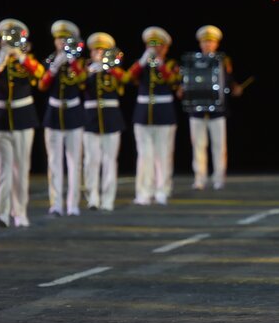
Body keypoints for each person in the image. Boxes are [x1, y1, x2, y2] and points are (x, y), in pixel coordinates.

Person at [0, 18, 45, 228]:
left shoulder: (27, 60)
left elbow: (41, 75)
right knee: (2, 167)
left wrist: (21, 57)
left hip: (23, 118)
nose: (9, 42)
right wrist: (0, 61)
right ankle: (1, 213)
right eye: (6, 37)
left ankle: (19, 212)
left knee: (21, 168)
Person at [182, 25, 243, 191]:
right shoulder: (192, 61)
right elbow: (186, 81)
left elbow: (227, 80)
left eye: (211, 42)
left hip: (217, 110)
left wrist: (235, 88)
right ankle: (199, 178)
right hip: (196, 110)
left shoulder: (223, 60)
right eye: (205, 42)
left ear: (216, 44)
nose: (208, 45)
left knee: (219, 145)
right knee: (198, 145)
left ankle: (218, 177)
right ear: (200, 43)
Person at [128, 26, 182, 206]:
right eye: (151, 45)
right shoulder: (142, 64)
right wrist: (143, 61)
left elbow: (173, 81)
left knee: (163, 154)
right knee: (144, 156)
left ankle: (162, 190)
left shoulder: (171, 65)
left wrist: (160, 63)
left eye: (158, 45)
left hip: (164, 114)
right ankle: (144, 192)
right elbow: (128, 78)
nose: (154, 48)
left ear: (165, 47)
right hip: (143, 113)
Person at [38, 19, 87, 217]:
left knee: (75, 162)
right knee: (54, 162)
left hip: (74, 114)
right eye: (58, 39)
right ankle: (56, 203)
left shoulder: (79, 62)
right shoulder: (51, 60)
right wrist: (54, 68)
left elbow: (83, 82)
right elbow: (42, 85)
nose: (61, 43)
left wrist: (72, 62)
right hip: (53, 114)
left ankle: (73, 203)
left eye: (65, 39)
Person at [82, 32, 129, 211]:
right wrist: (91, 71)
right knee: (91, 161)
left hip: (111, 118)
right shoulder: (86, 68)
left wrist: (109, 68)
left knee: (110, 161)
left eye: (103, 50)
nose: (99, 54)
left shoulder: (114, 69)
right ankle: (92, 197)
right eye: (96, 50)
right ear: (91, 52)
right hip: (90, 118)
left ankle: (108, 199)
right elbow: (78, 83)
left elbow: (126, 80)